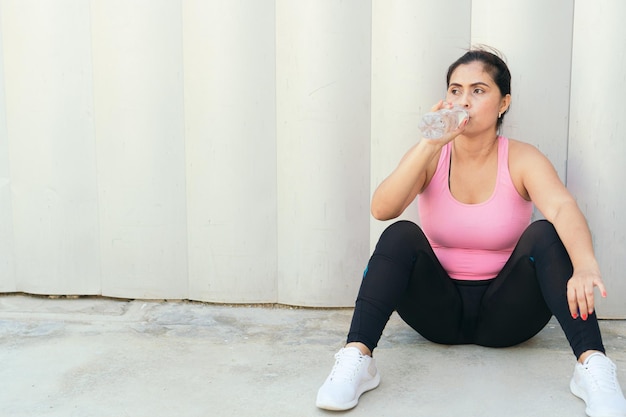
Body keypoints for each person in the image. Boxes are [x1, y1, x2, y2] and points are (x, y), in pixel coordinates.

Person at [315, 47, 626, 417]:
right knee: (400, 234)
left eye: (478, 90)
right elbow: (383, 208)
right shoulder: (431, 156)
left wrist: (585, 264)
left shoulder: (522, 158)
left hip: (509, 314)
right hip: (437, 311)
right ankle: (358, 358)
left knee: (544, 233)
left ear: (503, 103)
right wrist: (429, 143)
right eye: (455, 90)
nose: (464, 100)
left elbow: (562, 207)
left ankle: (592, 365)